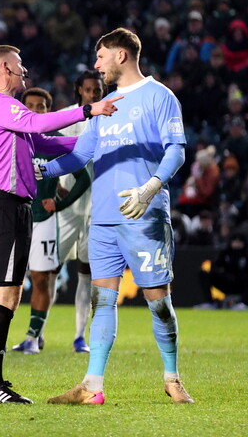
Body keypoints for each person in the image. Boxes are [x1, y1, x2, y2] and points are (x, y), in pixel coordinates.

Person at [43, 28, 193, 405]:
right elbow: (80, 156)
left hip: (144, 214)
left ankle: (172, 378)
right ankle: (92, 385)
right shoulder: (105, 105)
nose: (96, 65)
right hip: (104, 218)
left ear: (121, 55)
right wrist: (39, 169)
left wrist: (150, 188)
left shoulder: (160, 96)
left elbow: (176, 150)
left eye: (100, 56)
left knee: (158, 300)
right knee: (102, 300)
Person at [0, 44, 120, 404]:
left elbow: (42, 141)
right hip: (5, 206)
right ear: (4, 68)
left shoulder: (7, 111)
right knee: (4, 295)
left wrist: (93, 141)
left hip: (11, 207)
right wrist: (88, 110)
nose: (25, 71)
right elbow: (38, 124)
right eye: (19, 65)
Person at [11, 88, 91, 355]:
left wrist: (59, 204)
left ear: (48, 110)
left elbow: (83, 178)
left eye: (41, 106)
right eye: (31, 105)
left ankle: (32, 338)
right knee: (6, 281)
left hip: (43, 220)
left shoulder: (55, 141)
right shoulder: (11, 137)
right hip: (13, 219)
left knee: (41, 278)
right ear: (22, 109)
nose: (36, 110)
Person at [54, 71, 105, 353]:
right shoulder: (65, 118)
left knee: (86, 272)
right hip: (65, 207)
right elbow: (51, 153)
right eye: (89, 90)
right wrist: (56, 185)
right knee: (49, 270)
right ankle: (36, 333)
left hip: (96, 208)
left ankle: (79, 336)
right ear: (79, 91)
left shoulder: (111, 120)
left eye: (98, 90)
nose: (94, 94)